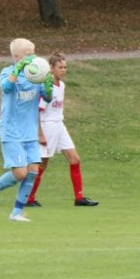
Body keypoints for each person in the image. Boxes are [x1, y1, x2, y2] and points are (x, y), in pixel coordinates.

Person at [0, 38, 53, 222]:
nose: (32, 58)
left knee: (33, 171)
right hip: (11, 130)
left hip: (30, 130)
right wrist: (18, 69)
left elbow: (47, 98)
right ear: (16, 57)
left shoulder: (36, 74)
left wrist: (47, 84)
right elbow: (6, 88)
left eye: (33, 53)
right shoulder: (7, 72)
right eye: (28, 55)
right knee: (20, 173)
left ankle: (16, 213)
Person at [25, 53, 98, 208]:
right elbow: (36, 111)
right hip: (47, 127)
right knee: (41, 164)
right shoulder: (47, 87)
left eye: (65, 67)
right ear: (51, 68)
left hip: (59, 125)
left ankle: (79, 198)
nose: (63, 70)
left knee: (75, 159)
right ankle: (28, 198)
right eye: (60, 67)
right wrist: (40, 134)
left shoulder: (62, 85)